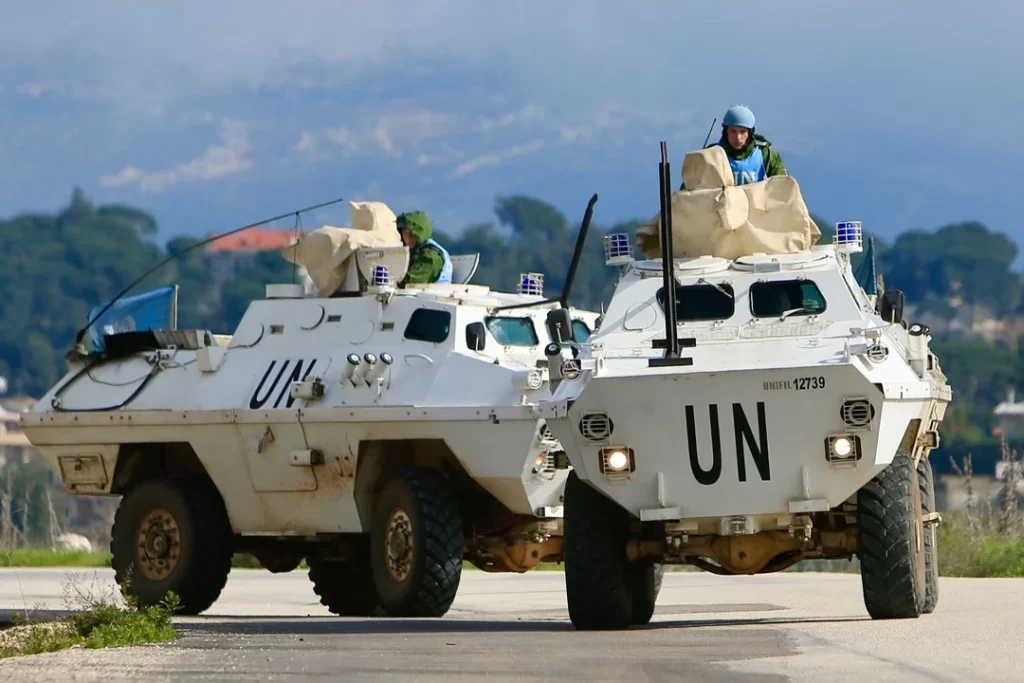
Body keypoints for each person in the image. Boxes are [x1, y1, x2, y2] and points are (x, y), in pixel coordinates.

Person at [681, 105, 788, 188]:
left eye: (742, 132)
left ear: (750, 133)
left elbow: (783, 187)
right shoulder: (711, 155)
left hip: (758, 209)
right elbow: (690, 189)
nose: (738, 137)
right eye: (733, 131)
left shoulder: (765, 153)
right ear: (726, 131)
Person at [394, 211, 453, 286]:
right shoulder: (418, 251)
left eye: (412, 233)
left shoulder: (431, 255)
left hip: (433, 293)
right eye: (406, 233)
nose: (409, 237)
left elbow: (412, 282)